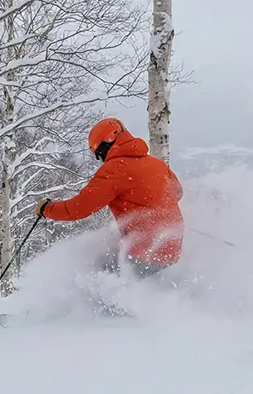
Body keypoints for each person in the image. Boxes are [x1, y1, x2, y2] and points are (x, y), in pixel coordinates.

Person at [37, 118, 185, 278]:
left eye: (99, 155)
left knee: (95, 272)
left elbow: (79, 208)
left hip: (145, 250)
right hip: (172, 246)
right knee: (111, 260)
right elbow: (177, 192)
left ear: (105, 145)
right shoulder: (157, 164)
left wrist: (47, 209)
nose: (101, 160)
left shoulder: (114, 169)